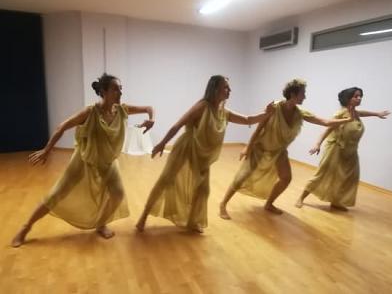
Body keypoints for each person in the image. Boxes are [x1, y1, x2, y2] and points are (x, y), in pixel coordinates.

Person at [11, 73, 155, 247]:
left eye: (121, 89)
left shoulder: (122, 110)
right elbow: (62, 127)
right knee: (56, 194)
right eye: (115, 89)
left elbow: (148, 108)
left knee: (117, 195)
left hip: (108, 163)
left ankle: (101, 224)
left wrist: (151, 120)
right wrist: (47, 150)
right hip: (84, 161)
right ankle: (25, 228)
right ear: (103, 91)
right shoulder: (90, 112)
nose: (120, 92)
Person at [135, 75, 274, 233]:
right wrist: (162, 143)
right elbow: (178, 125)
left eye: (229, 87)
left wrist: (267, 113)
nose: (230, 90)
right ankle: (144, 217)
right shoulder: (202, 106)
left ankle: (192, 222)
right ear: (215, 89)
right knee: (166, 180)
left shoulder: (223, 112)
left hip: (203, 155)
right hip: (187, 148)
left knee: (203, 190)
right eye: (226, 87)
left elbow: (248, 120)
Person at [219, 78, 356, 219]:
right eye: (303, 93)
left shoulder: (300, 112)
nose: (305, 96)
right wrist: (248, 147)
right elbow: (260, 127)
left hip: (279, 151)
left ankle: (269, 204)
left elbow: (324, 122)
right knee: (242, 177)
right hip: (261, 148)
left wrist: (348, 120)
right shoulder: (275, 107)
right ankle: (223, 204)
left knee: (286, 178)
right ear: (293, 94)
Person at [295, 87, 390, 211]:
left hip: (350, 152)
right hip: (336, 149)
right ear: (348, 99)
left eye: (360, 96)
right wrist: (318, 143)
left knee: (348, 178)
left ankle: (336, 202)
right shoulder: (341, 114)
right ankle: (301, 198)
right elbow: (328, 128)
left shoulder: (355, 113)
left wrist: (377, 114)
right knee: (322, 174)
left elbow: (363, 113)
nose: (359, 98)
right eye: (356, 96)